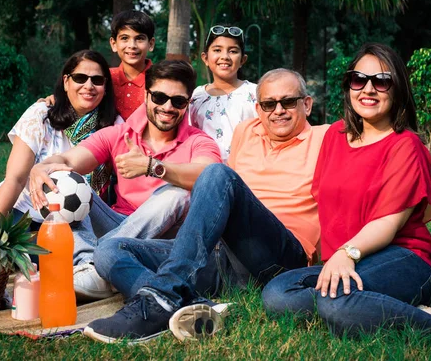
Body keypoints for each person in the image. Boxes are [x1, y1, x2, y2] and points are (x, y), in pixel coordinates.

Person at [261, 43, 431, 356]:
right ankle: (395, 308)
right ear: (349, 86)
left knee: (334, 302)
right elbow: (326, 207)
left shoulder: (406, 146)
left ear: (397, 89)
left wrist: (347, 253)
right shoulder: (335, 135)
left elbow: (388, 222)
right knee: (277, 292)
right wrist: (327, 260)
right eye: (359, 79)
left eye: (381, 81)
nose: (368, 89)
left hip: (403, 258)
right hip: (346, 261)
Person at [82, 68, 329, 344]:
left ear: (306, 104)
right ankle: (188, 306)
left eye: (288, 102)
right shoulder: (246, 131)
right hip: (224, 258)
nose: (278, 111)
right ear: (258, 109)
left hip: (280, 256)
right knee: (110, 249)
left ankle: (160, 300)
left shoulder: (326, 138)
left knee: (215, 174)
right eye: (269, 104)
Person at [29, 60, 222, 301]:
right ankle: (90, 265)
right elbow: (69, 161)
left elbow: (212, 177)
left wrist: (152, 167)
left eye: (178, 101)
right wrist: (41, 167)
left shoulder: (199, 141)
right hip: (117, 223)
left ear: (188, 102)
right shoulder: (119, 134)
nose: (168, 107)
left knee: (177, 193)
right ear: (146, 95)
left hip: (162, 239)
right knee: (67, 184)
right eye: (160, 97)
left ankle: (95, 272)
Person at [0, 50, 116, 264]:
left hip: (71, 221)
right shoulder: (41, 115)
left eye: (97, 80)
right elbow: (16, 178)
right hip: (20, 210)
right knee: (0, 245)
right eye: (80, 78)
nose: (89, 86)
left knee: (64, 255)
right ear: (66, 81)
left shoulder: (114, 127)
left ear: (105, 87)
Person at [189, 25, 257, 162]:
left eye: (232, 51)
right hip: (205, 173)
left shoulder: (255, 93)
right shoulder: (197, 96)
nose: (224, 56)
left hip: (246, 172)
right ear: (205, 58)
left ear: (243, 60)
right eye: (217, 50)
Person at [109, 10, 155, 120]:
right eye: (124, 38)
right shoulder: (104, 78)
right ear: (114, 44)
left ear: (151, 44)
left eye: (139, 38)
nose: (132, 45)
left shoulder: (162, 80)